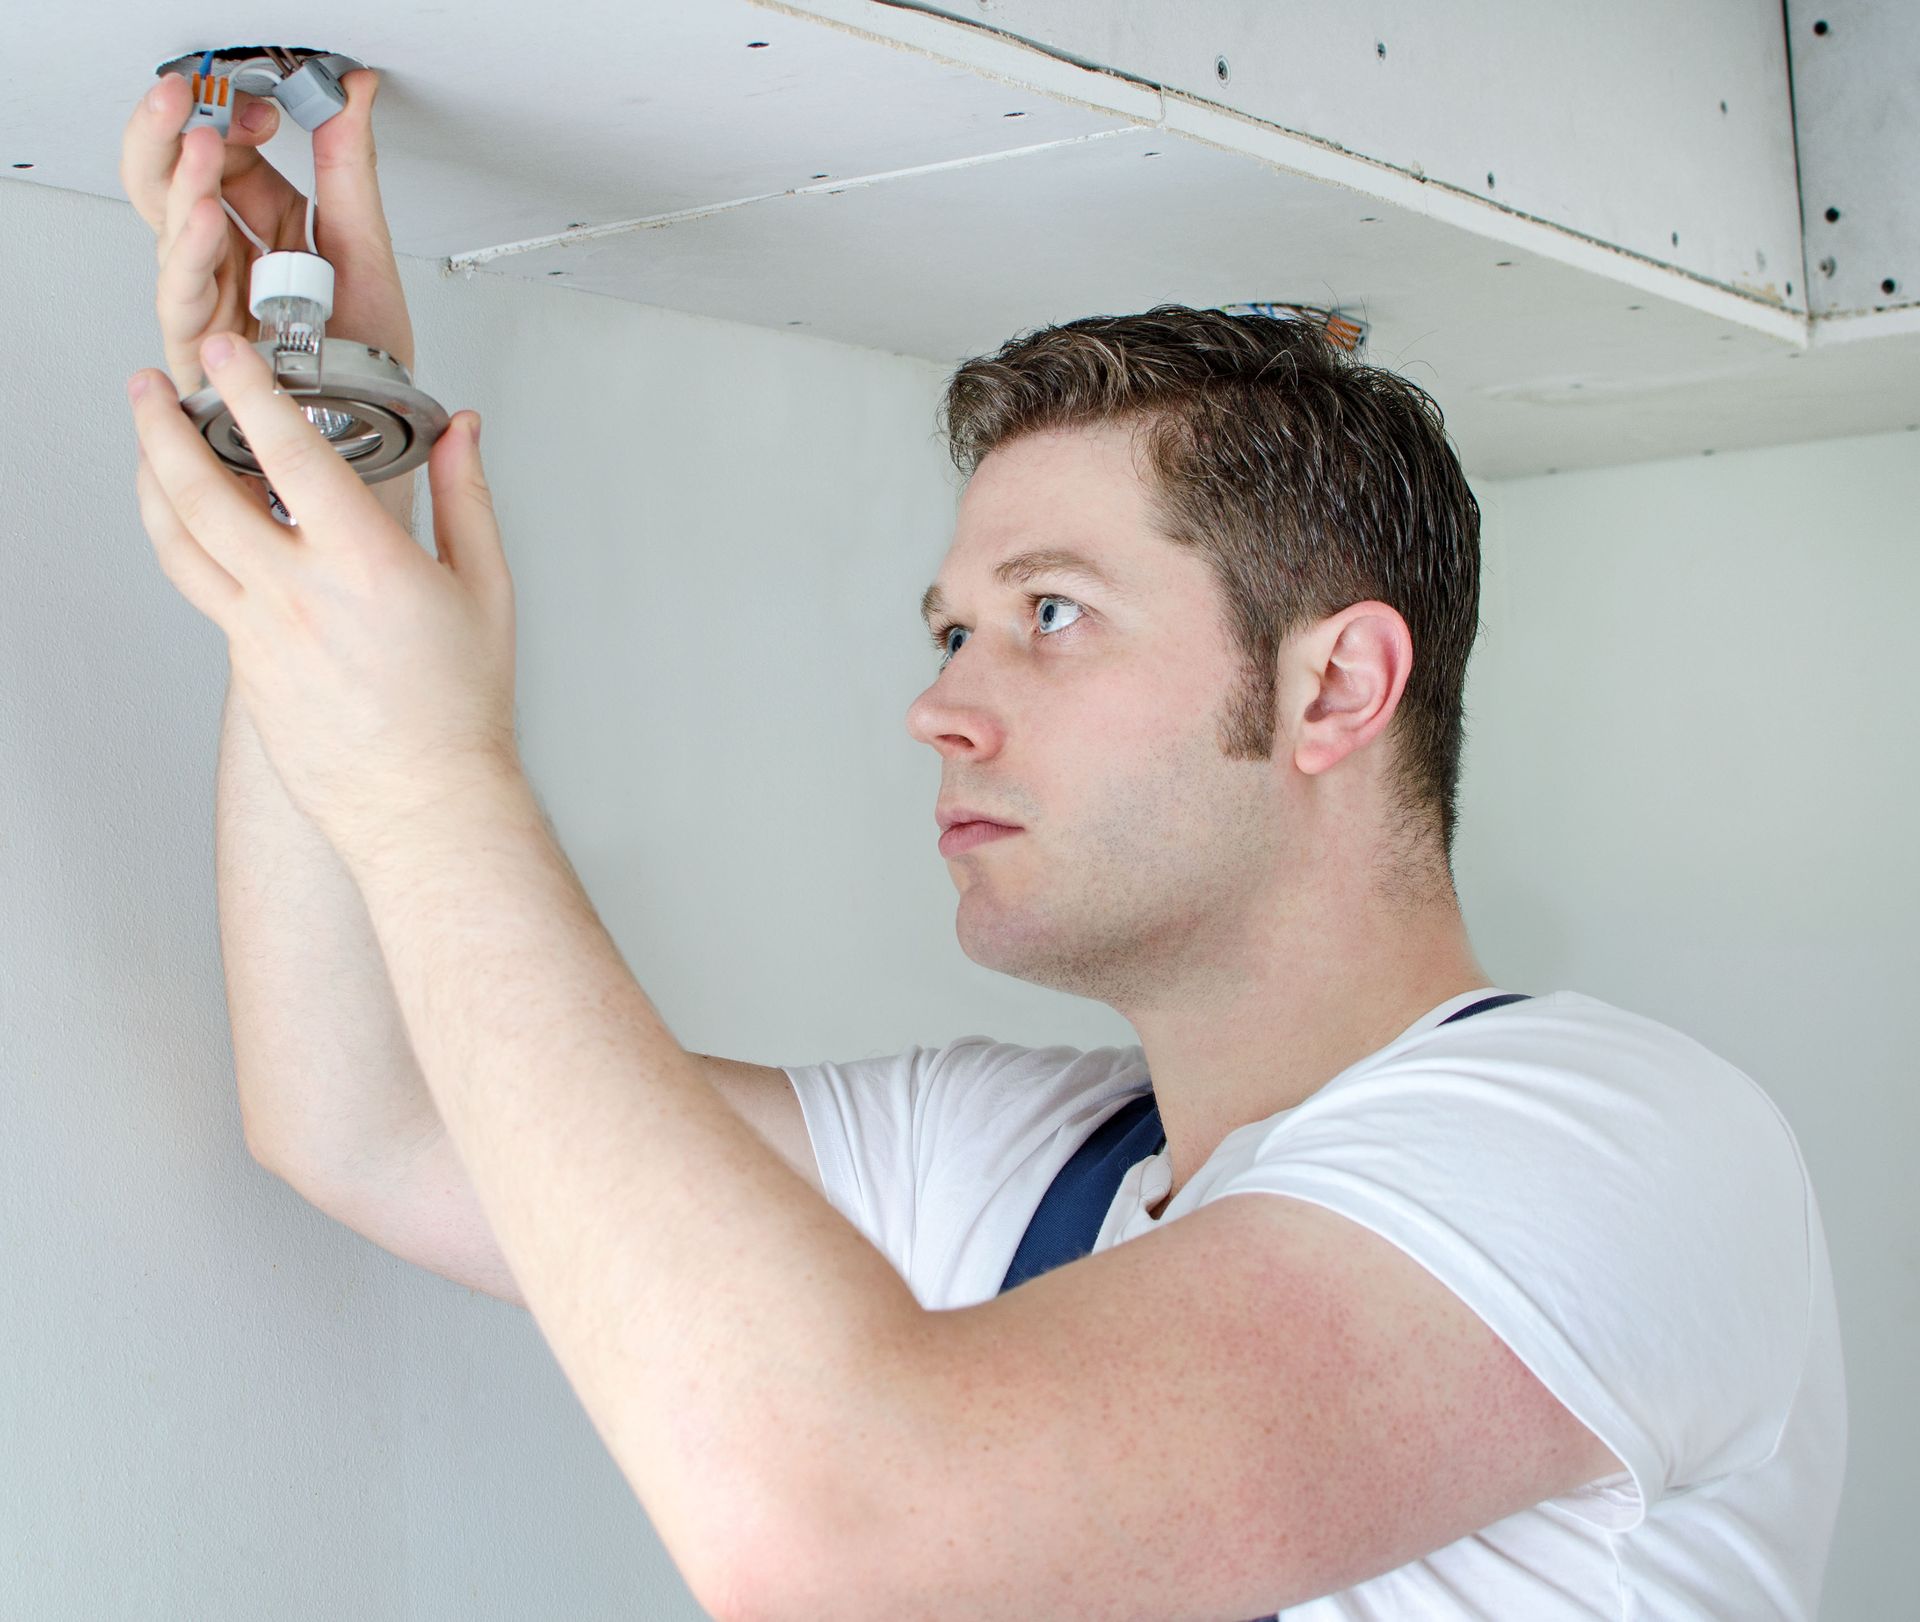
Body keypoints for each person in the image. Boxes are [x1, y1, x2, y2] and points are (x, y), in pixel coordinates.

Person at [124, 65, 1844, 1620]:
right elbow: (372, 1111)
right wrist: (321, 456)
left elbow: (850, 1535)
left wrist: (437, 785)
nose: (941, 706)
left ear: (1336, 688)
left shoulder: (1621, 1153)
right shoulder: (1016, 1168)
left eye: (1051, 613)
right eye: (952, 631)